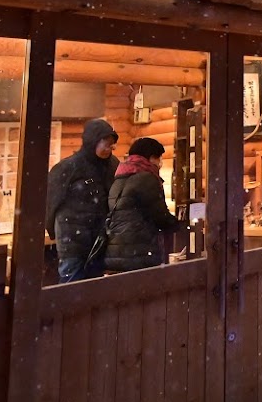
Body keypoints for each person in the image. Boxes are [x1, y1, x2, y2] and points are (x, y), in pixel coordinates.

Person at [47, 118, 118, 282]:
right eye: (105, 143)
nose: (109, 148)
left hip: (100, 238)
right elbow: (52, 201)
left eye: (111, 144)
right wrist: (52, 230)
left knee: (94, 285)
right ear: (93, 142)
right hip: (72, 238)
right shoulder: (68, 167)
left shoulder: (112, 165)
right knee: (71, 283)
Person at [103, 137, 178, 272]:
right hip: (139, 253)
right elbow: (160, 216)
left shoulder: (119, 179)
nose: (160, 163)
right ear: (150, 157)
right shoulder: (147, 178)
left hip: (115, 252)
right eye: (158, 158)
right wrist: (180, 225)